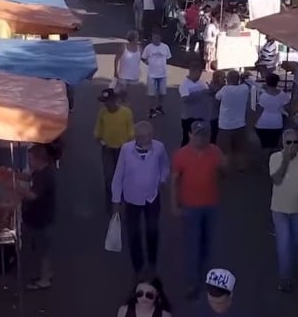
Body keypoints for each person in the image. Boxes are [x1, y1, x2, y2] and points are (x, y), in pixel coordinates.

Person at [169, 121, 223, 299]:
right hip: (190, 207)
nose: (201, 138)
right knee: (193, 245)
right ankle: (193, 283)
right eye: (198, 134)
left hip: (211, 205)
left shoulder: (215, 152)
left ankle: (206, 279)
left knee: (207, 245)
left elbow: (223, 173)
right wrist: (175, 204)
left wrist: (225, 167)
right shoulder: (181, 155)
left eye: (205, 134)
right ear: (190, 135)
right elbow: (175, 181)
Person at [112, 121, 170, 275]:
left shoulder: (159, 147)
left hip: (152, 197)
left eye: (150, 135)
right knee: (133, 233)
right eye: (145, 137)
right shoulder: (126, 150)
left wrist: (162, 179)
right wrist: (116, 200)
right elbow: (118, 175)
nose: (149, 139)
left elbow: (165, 165)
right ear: (137, 137)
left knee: (152, 230)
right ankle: (138, 267)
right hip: (132, 199)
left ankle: (152, 263)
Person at [267, 128, 298, 292]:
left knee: (294, 243)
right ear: (283, 143)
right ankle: (285, 278)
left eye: (296, 142)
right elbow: (276, 179)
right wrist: (286, 161)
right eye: (289, 142)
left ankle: (288, 267)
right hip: (279, 210)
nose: (292, 146)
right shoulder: (275, 158)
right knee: (284, 242)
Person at [19, 144, 57, 290]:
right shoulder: (40, 172)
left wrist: (15, 189)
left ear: (39, 160)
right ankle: (45, 273)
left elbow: (32, 195)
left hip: (41, 219)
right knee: (41, 249)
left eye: (30, 159)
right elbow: (29, 177)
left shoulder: (44, 176)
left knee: (42, 251)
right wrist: (13, 175)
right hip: (38, 219)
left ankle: (44, 279)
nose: (29, 162)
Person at [94, 88, 135, 208]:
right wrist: (98, 137)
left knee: (122, 174)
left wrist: (130, 144)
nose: (107, 104)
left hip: (122, 149)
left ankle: (124, 197)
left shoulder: (126, 113)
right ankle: (111, 200)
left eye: (110, 101)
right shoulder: (102, 113)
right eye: (105, 101)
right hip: (107, 148)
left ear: (115, 100)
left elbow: (130, 130)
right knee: (108, 176)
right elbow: (99, 127)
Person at [214, 71, 251, 172]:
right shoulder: (245, 89)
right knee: (240, 149)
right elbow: (245, 83)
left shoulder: (225, 89)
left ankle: (225, 168)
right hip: (240, 124)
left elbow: (217, 97)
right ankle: (242, 167)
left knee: (225, 150)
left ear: (228, 79)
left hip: (225, 125)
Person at [178, 61, 215, 146]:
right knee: (187, 139)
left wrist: (211, 90)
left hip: (201, 116)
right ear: (192, 71)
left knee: (200, 138)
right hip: (189, 118)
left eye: (201, 73)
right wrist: (201, 93)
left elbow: (207, 93)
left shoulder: (201, 82)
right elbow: (185, 100)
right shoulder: (184, 85)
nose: (200, 76)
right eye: (198, 73)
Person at [252, 73, 292, 150]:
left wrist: (254, 121)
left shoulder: (263, 96)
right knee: (274, 145)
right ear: (277, 82)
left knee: (264, 146)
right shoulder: (282, 95)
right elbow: (288, 108)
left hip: (263, 123)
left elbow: (259, 111)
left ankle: (266, 160)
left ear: (266, 82)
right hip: (277, 123)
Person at [141, 31, 172, 119]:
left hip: (162, 74)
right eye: (154, 38)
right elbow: (143, 58)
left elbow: (168, 57)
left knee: (162, 93)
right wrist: (146, 62)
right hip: (152, 74)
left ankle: (159, 107)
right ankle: (152, 109)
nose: (155, 39)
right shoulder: (148, 48)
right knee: (152, 94)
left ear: (160, 38)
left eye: (157, 38)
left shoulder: (165, 47)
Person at [114, 31, 144, 101]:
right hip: (123, 74)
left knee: (128, 93)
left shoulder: (139, 48)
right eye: (137, 38)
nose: (138, 39)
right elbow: (116, 59)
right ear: (133, 38)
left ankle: (123, 105)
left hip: (134, 75)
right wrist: (115, 71)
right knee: (121, 90)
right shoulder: (123, 47)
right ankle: (116, 102)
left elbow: (143, 58)